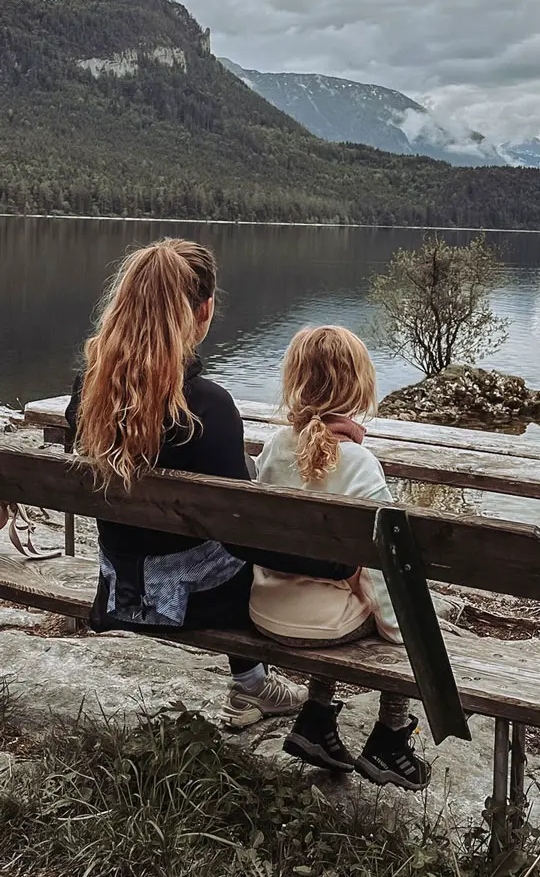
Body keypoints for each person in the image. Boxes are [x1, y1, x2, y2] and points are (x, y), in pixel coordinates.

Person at [64, 237, 336, 729]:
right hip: (194, 602)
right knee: (268, 546)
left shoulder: (89, 391)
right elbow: (245, 536)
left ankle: (253, 683)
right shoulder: (207, 407)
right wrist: (332, 564)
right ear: (205, 310)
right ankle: (257, 684)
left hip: (118, 583)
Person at [251, 325, 431, 791]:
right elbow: (390, 567)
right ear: (359, 387)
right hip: (319, 624)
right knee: (402, 611)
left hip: (264, 607)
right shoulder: (360, 465)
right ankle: (390, 738)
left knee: (334, 589)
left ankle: (316, 722)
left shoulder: (273, 448)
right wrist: (401, 631)